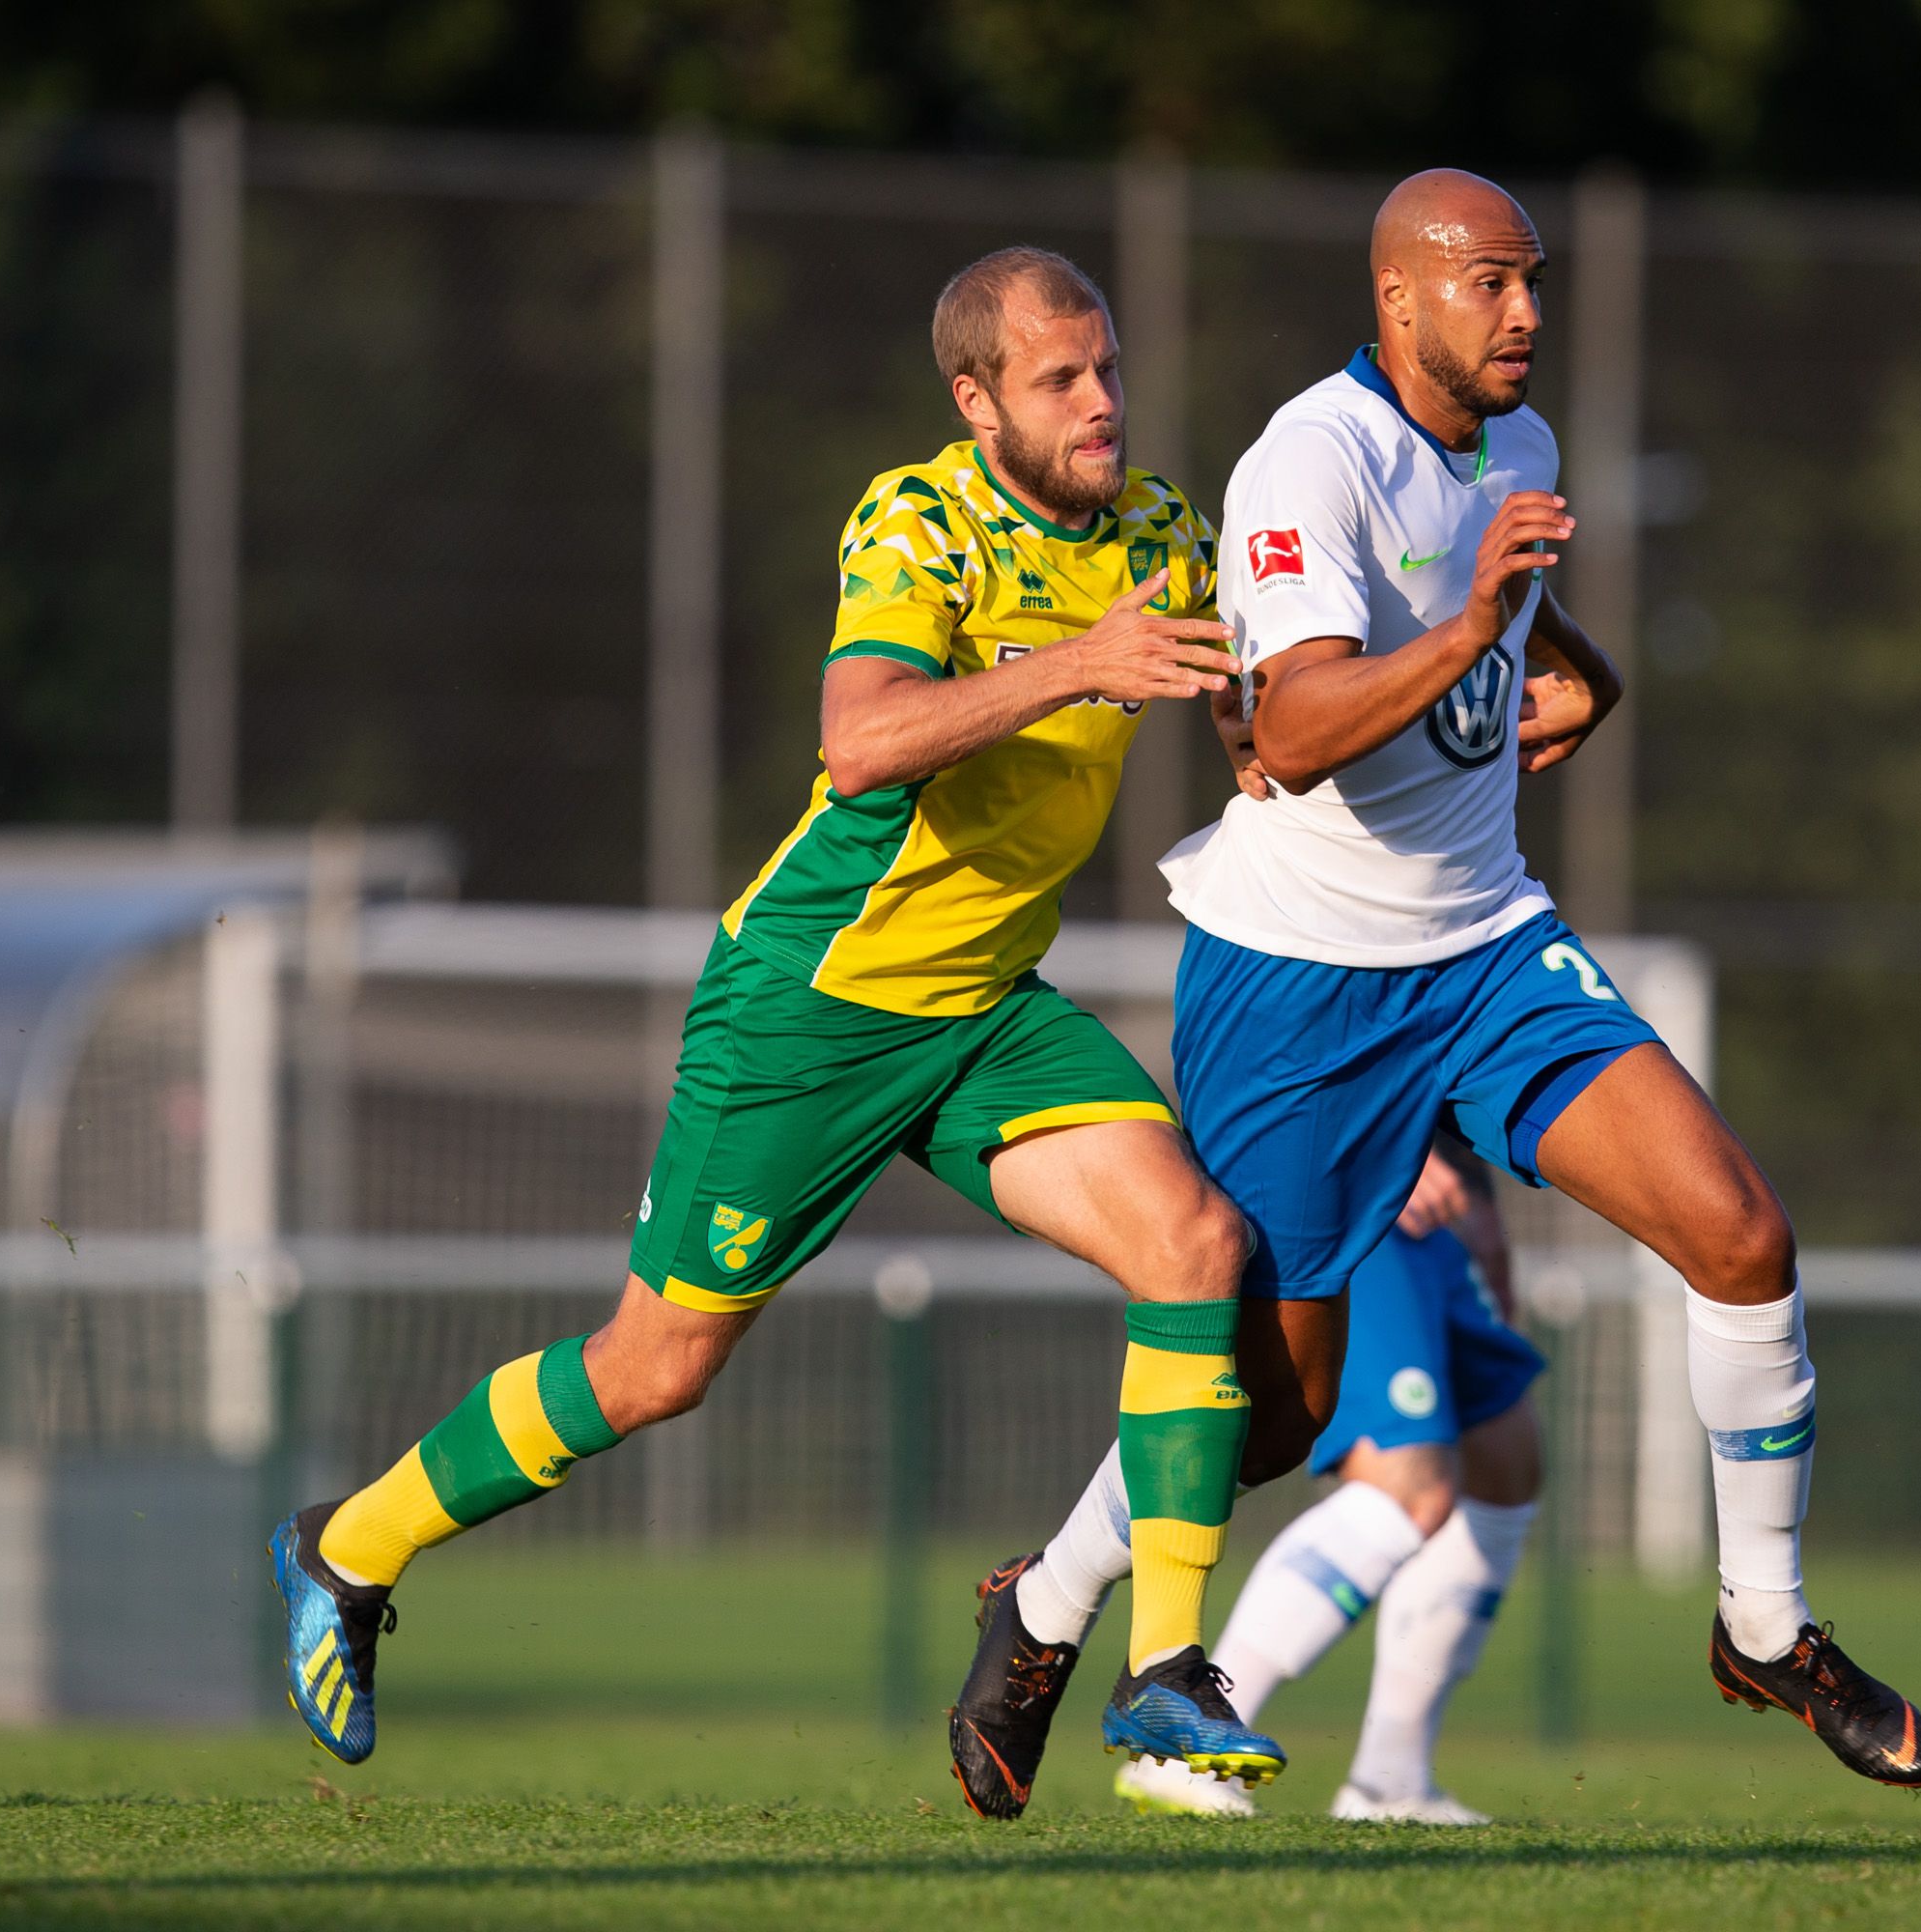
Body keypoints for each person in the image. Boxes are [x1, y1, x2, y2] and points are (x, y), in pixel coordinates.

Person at [267, 246, 1298, 1817]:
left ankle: (1161, 1669)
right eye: (1059, 380)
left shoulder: (1161, 528)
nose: (1102, 401)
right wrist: (1077, 665)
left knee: (1197, 1245)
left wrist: (1291, 727)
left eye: (1107, 367)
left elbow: (1248, 698)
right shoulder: (921, 519)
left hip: (984, 1010)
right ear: (977, 401)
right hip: (815, 1005)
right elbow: (861, 741)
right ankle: (349, 1546)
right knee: (655, 1370)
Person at [1008, 168, 1921, 1798]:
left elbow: (1509, 615)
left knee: (1741, 1235)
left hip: (1488, 947)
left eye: (1534, 281)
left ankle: (1764, 1623)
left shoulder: (1522, 444)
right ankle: (1044, 1606)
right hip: (1301, 980)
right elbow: (1291, 731)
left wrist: (1577, 669)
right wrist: (1471, 629)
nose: (1525, 314)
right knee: (1275, 1419)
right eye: (1490, 283)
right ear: (1400, 299)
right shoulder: (1309, 459)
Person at [1116, 1142, 1541, 1825]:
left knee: (1505, 1458)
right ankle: (1184, 1752)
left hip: (1441, 1220)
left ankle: (1392, 1780)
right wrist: (1397, 1145)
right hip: (1363, 1194)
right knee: (1409, 1485)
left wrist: (1482, 1211)